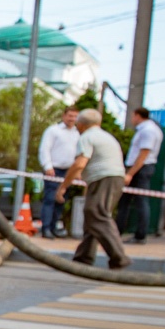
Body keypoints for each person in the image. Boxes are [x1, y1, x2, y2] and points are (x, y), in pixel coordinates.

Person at [62, 108, 129, 268]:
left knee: (97, 214)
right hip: (113, 178)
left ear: (82, 124)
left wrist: (63, 187)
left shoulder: (87, 137)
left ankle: (119, 257)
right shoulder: (106, 136)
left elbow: (79, 163)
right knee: (92, 215)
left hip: (104, 178)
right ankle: (83, 258)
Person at [121, 107, 164, 243]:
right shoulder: (149, 129)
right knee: (126, 202)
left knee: (140, 202)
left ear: (137, 115)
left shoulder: (148, 131)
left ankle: (140, 235)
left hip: (140, 169)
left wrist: (130, 173)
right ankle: (118, 231)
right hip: (139, 168)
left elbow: (143, 154)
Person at [38, 106, 80, 238]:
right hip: (54, 170)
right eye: (70, 115)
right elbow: (45, 148)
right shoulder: (53, 131)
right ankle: (46, 228)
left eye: (74, 116)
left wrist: (77, 171)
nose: (72, 119)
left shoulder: (77, 133)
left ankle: (54, 226)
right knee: (50, 199)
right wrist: (47, 166)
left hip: (68, 171)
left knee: (61, 200)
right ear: (64, 116)